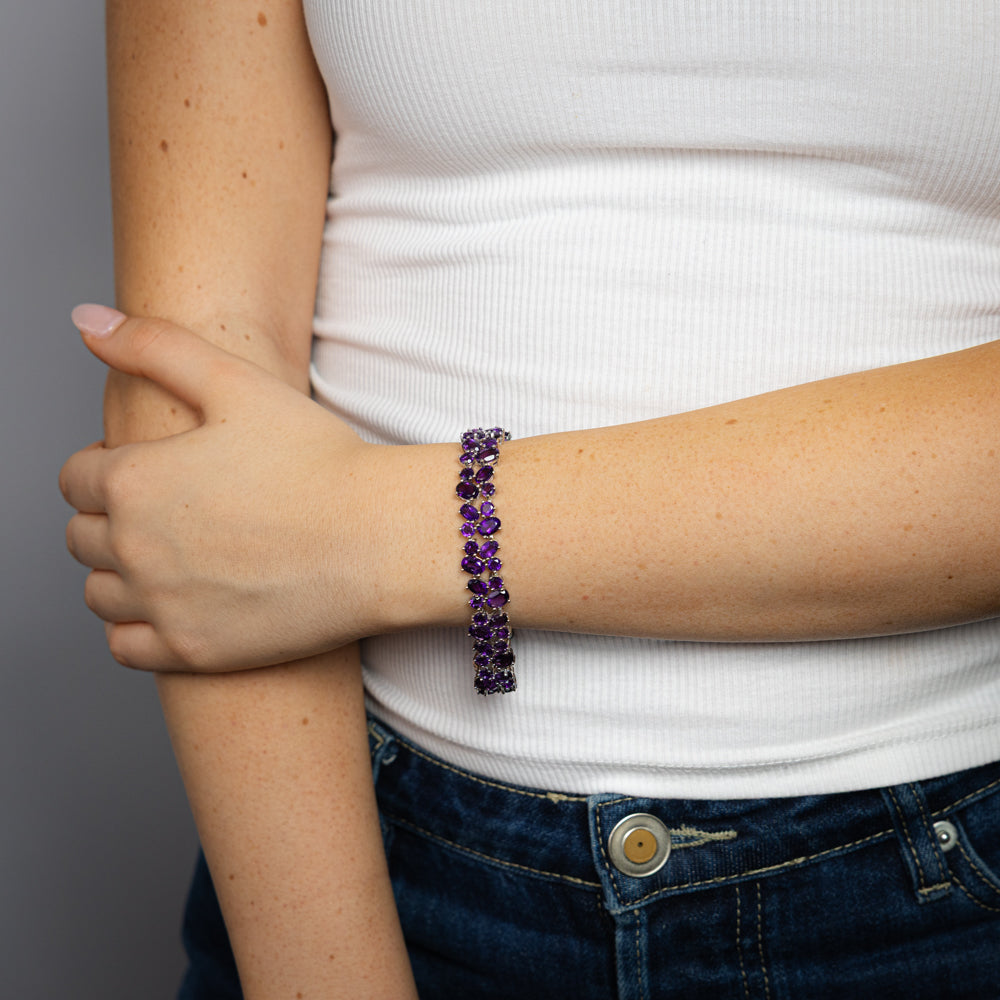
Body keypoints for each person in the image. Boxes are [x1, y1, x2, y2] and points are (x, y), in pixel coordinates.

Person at [61, 1, 1000, 997]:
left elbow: (244, 522)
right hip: (359, 849)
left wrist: (360, 535)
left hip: (951, 876)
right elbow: (197, 381)